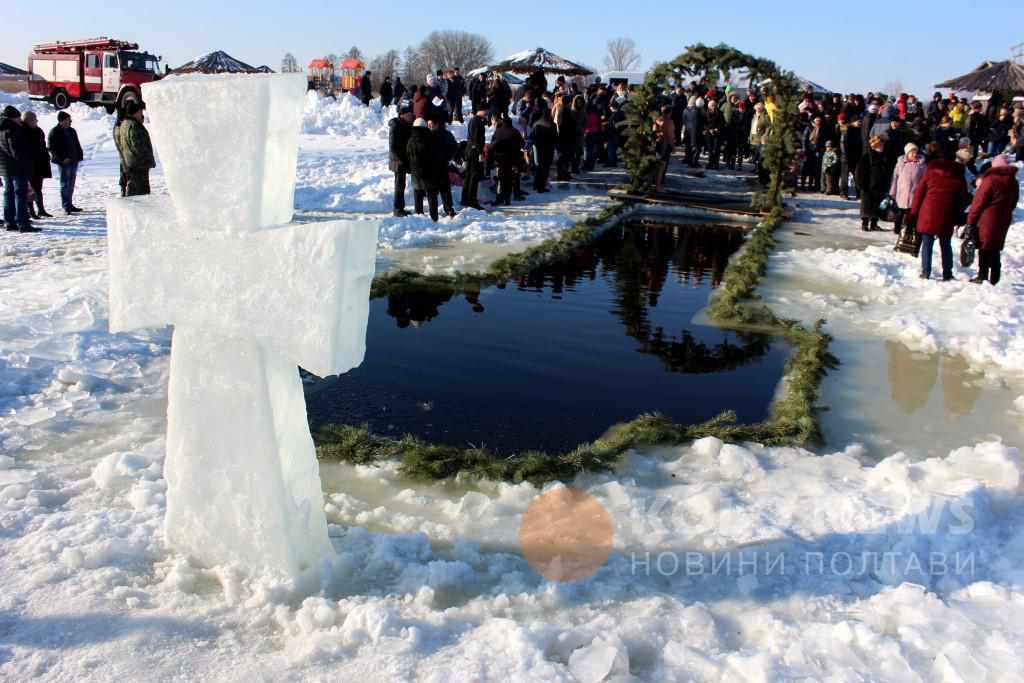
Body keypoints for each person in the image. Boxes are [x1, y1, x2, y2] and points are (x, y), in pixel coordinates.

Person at [908, 153, 969, 280]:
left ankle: (926, 272)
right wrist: (959, 215)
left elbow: (919, 195)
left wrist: (913, 214)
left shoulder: (930, 172)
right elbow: (962, 199)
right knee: (946, 244)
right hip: (947, 215)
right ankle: (947, 273)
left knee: (927, 244)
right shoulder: (958, 175)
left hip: (928, 213)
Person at [966, 155, 1019, 285]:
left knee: (984, 246)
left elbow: (979, 201)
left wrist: (971, 219)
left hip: (987, 218)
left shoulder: (990, 180)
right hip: (1004, 218)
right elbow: (1014, 201)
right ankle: (995, 277)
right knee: (994, 247)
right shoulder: (1013, 181)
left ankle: (982, 275)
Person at [0, 105, 35, 232]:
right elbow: (16, 150)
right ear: (13, 118)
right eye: (18, 117)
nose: (20, 120)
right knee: (20, 195)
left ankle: (9, 222)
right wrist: (25, 162)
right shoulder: (13, 129)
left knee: (8, 194)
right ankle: (23, 223)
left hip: (5, 167)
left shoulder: (2, 128)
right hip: (18, 167)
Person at [116, 100, 155, 196]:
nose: (142, 114)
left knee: (134, 191)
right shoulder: (133, 126)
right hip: (138, 165)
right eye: (140, 112)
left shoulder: (125, 124)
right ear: (136, 112)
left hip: (131, 164)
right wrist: (147, 160)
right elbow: (138, 146)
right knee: (140, 194)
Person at [48, 111, 84, 212]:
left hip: (74, 160)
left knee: (71, 184)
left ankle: (70, 204)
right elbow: (51, 148)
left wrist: (79, 155)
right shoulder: (54, 132)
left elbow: (77, 144)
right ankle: (66, 206)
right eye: (68, 120)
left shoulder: (72, 131)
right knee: (65, 184)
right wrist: (62, 159)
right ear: (62, 121)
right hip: (64, 162)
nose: (70, 122)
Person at [888, 142, 926, 236]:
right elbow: (895, 177)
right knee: (899, 213)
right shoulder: (900, 163)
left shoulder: (922, 165)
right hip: (902, 192)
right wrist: (893, 190)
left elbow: (925, 179)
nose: (914, 154)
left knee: (911, 214)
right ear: (907, 153)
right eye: (912, 152)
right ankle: (897, 230)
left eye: (915, 152)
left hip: (914, 193)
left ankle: (909, 230)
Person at [22, 112, 52, 219]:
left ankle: (41, 210)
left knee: (38, 188)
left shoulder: (38, 130)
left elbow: (43, 145)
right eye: (35, 120)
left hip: (40, 164)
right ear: (28, 120)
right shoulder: (23, 131)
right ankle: (31, 211)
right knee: (30, 189)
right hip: (30, 165)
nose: (36, 121)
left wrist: (46, 156)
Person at [407, 118, 438, 221]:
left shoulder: (410, 139)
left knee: (417, 193)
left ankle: (419, 215)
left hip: (415, 171)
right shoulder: (429, 138)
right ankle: (434, 217)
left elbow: (408, 154)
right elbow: (433, 155)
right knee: (431, 194)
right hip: (428, 171)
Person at [856, 135, 888, 231]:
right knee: (866, 205)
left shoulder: (885, 156)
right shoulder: (867, 156)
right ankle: (865, 223)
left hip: (880, 185)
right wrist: (862, 185)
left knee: (877, 205)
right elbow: (860, 172)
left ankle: (874, 223)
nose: (883, 145)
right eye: (881, 144)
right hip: (868, 186)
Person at [490, 118, 525, 205]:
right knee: (510, 179)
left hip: (500, 159)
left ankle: (499, 198)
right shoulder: (515, 131)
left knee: (501, 179)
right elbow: (522, 143)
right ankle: (508, 199)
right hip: (512, 159)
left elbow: (492, 144)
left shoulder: (498, 131)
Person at [388, 104, 414, 217]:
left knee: (401, 185)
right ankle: (397, 209)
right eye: (408, 115)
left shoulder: (406, 124)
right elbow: (393, 146)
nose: (411, 117)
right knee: (399, 185)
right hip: (398, 161)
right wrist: (401, 159)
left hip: (402, 160)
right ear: (402, 115)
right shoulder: (396, 126)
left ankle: (400, 207)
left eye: (411, 115)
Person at [429, 116, 458, 218]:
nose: (430, 125)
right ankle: (449, 208)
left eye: (431, 123)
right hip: (443, 165)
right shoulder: (447, 134)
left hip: (434, 166)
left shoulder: (430, 135)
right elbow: (455, 147)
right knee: (445, 189)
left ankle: (434, 211)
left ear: (436, 124)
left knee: (434, 190)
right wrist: (448, 157)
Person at [461, 106, 487, 210]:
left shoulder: (475, 120)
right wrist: (480, 152)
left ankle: (465, 198)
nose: (487, 113)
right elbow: (476, 138)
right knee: (473, 176)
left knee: (469, 176)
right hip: (474, 152)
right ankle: (471, 200)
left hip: (470, 151)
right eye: (486, 110)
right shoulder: (477, 121)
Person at [530, 108, 556, 192]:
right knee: (545, 169)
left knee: (539, 167)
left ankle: (536, 185)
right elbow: (555, 138)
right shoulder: (551, 125)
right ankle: (541, 186)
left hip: (537, 148)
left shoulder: (536, 123)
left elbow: (532, 136)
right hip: (548, 150)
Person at [653, 105, 675, 193]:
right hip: (665, 144)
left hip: (659, 143)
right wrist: (673, 145)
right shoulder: (669, 121)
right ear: (670, 112)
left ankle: (657, 184)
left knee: (659, 164)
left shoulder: (658, 119)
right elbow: (670, 135)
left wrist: (659, 134)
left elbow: (654, 130)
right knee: (662, 165)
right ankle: (658, 186)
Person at [554, 94, 576, 181]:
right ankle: (562, 174)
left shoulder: (563, 110)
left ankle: (564, 173)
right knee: (564, 157)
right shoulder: (565, 110)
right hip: (566, 137)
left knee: (564, 157)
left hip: (564, 137)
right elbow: (563, 125)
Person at [704, 99, 725, 170]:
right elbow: (704, 124)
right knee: (710, 149)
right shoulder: (706, 113)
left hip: (717, 133)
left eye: (714, 105)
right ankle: (710, 163)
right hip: (709, 133)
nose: (713, 106)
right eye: (712, 105)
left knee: (716, 149)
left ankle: (716, 164)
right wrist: (709, 130)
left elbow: (722, 123)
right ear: (709, 106)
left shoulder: (720, 113)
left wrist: (717, 129)